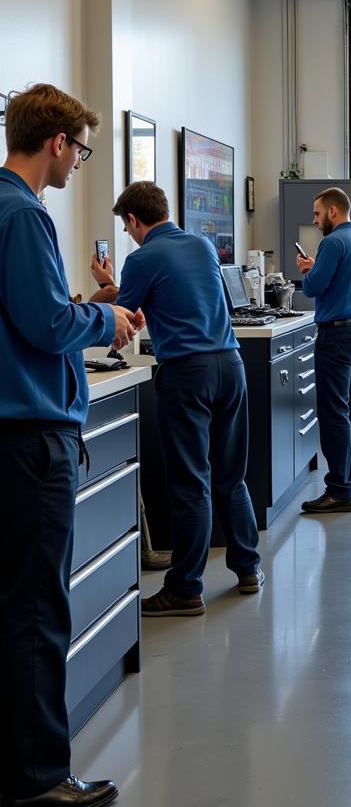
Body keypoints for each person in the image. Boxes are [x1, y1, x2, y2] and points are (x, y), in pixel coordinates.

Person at [0, 84, 139, 807]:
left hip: (11, 437)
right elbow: (48, 326)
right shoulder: (22, 215)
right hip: (29, 439)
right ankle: (41, 779)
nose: (79, 162)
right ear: (56, 142)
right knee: (36, 613)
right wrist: (105, 318)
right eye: (80, 149)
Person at [90, 182, 262, 617]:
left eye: (126, 227)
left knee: (191, 484)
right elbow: (191, 300)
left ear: (132, 220)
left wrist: (106, 287)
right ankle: (248, 569)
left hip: (188, 375)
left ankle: (185, 588)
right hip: (230, 365)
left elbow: (121, 324)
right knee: (231, 477)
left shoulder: (142, 258)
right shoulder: (202, 245)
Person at [296, 187, 351, 514]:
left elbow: (314, 287)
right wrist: (319, 267)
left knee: (334, 414)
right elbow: (346, 279)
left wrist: (307, 271)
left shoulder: (332, 242)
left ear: (332, 211)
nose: (315, 221)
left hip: (335, 336)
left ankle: (338, 489)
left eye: (317, 214)